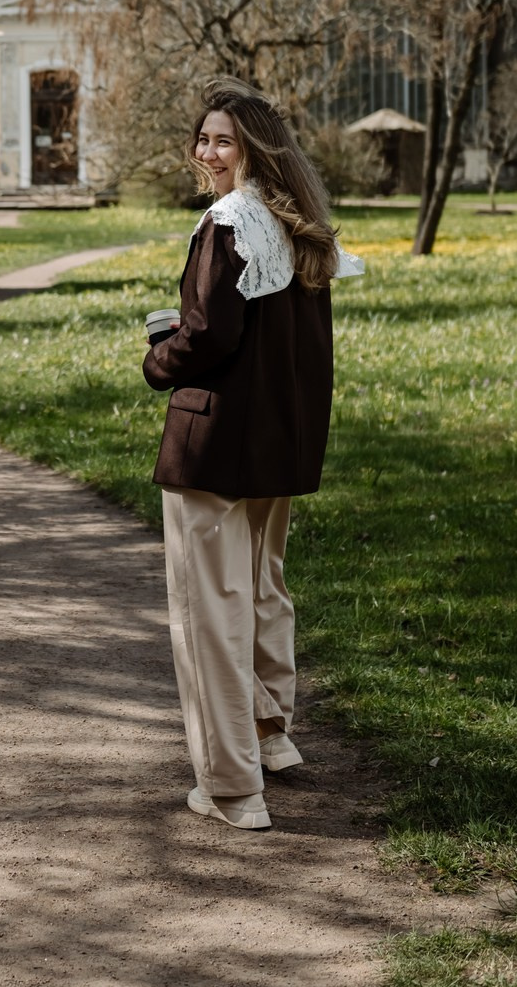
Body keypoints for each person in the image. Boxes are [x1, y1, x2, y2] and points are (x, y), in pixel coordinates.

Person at [143, 77, 363, 832]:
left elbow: (209, 335)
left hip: (215, 446)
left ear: (253, 149)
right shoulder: (305, 229)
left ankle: (232, 789)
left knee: (212, 610)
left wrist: (159, 357)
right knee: (263, 592)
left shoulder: (228, 221)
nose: (208, 152)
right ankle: (270, 738)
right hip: (279, 444)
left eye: (222, 140)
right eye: (202, 138)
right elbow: (276, 338)